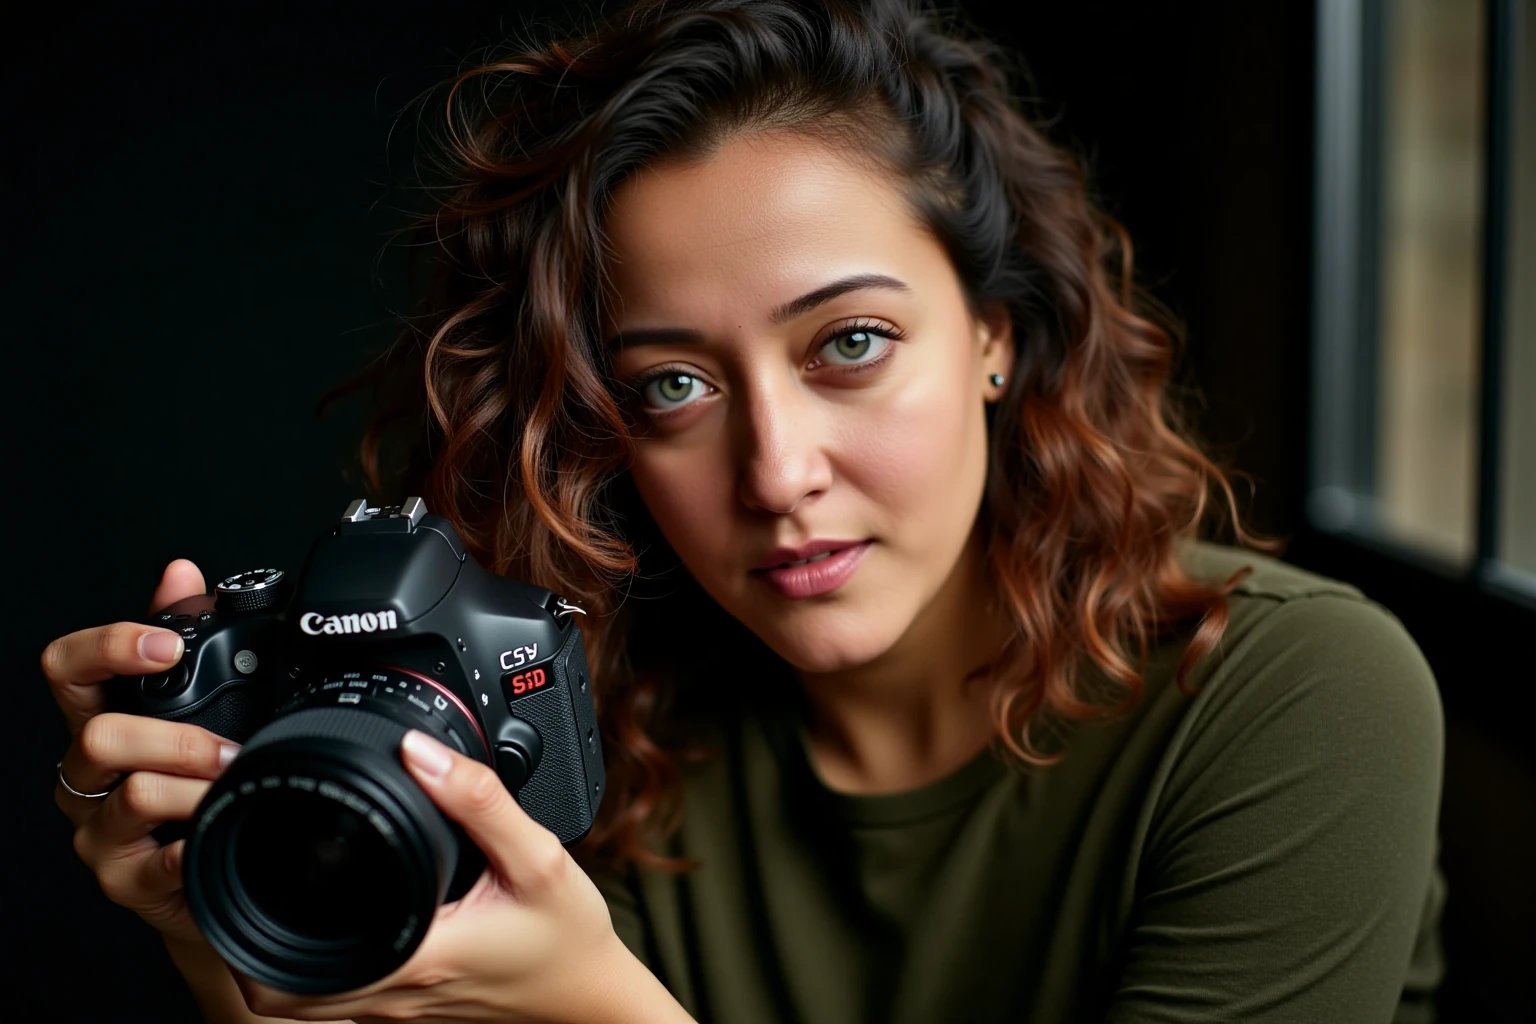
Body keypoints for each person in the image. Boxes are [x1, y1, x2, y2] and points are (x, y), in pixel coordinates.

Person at [41, 0, 1447, 1021]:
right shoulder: (576, 728)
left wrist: (594, 1003)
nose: (776, 473)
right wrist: (220, 931)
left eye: (849, 344)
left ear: (998, 336)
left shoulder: (1293, 694)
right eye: (672, 386)